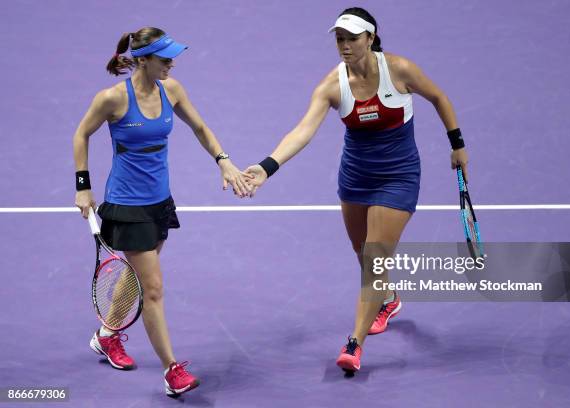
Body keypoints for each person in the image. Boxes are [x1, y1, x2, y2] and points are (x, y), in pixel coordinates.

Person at [243, 8, 469, 372]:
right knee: (362, 250)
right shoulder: (332, 86)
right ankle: (388, 298)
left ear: (370, 37)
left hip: (398, 177)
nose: (344, 45)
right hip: (355, 177)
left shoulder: (399, 69)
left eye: (352, 38)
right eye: (339, 39)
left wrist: (456, 144)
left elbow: (439, 97)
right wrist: (267, 167)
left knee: (374, 260)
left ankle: (355, 344)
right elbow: (303, 131)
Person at [73, 27, 251, 395]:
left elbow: (200, 127)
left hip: (159, 202)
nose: (171, 63)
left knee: (135, 278)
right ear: (142, 60)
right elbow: (81, 134)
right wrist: (83, 187)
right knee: (152, 290)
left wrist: (224, 162)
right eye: (164, 57)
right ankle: (172, 371)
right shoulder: (112, 99)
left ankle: (107, 335)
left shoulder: (172, 89)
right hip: (127, 204)